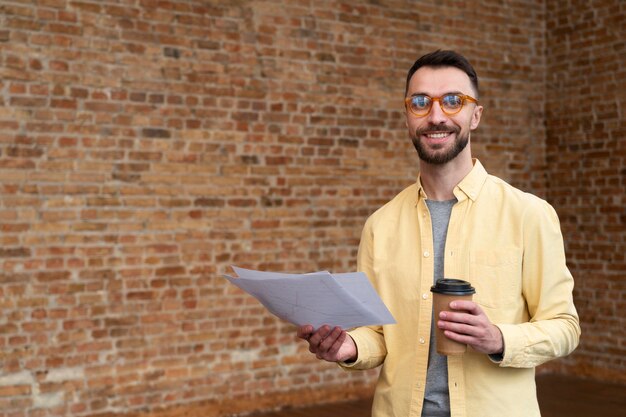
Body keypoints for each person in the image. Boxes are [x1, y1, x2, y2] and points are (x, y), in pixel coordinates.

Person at [297, 50, 581, 417]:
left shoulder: (529, 214)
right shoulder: (380, 226)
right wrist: (348, 347)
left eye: (452, 101)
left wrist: (497, 338)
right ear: (407, 117)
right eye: (420, 102)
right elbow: (380, 335)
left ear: (475, 115)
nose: (436, 116)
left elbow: (564, 328)